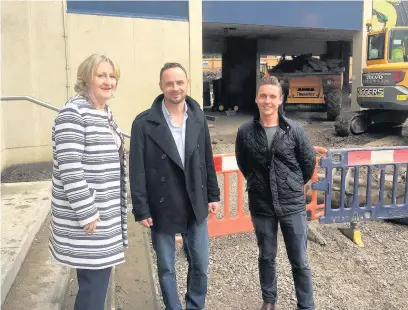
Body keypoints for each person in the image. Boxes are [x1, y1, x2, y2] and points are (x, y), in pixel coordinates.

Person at [129, 62, 221, 310]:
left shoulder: (198, 117)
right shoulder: (143, 124)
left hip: (195, 202)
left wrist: (213, 194)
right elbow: (136, 169)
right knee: (166, 267)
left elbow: (206, 160)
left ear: (187, 83)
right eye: (169, 83)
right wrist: (141, 208)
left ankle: (194, 305)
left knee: (200, 262)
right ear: (161, 86)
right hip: (162, 204)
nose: (175, 88)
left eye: (179, 82)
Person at [49, 54, 128, 310]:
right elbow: (70, 170)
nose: (108, 81)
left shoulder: (103, 111)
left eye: (112, 75)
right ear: (86, 79)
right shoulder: (72, 113)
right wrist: (88, 213)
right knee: (94, 287)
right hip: (90, 221)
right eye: (101, 75)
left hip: (104, 217)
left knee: (94, 282)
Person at [235, 75, 316, 310]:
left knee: (299, 260)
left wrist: (291, 184)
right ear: (256, 99)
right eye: (263, 96)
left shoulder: (295, 130)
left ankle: (306, 304)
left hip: (292, 205)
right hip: (261, 204)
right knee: (266, 256)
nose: (267, 100)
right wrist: (257, 182)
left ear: (281, 100)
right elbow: (243, 163)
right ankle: (269, 301)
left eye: (272, 96)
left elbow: (308, 163)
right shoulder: (245, 131)